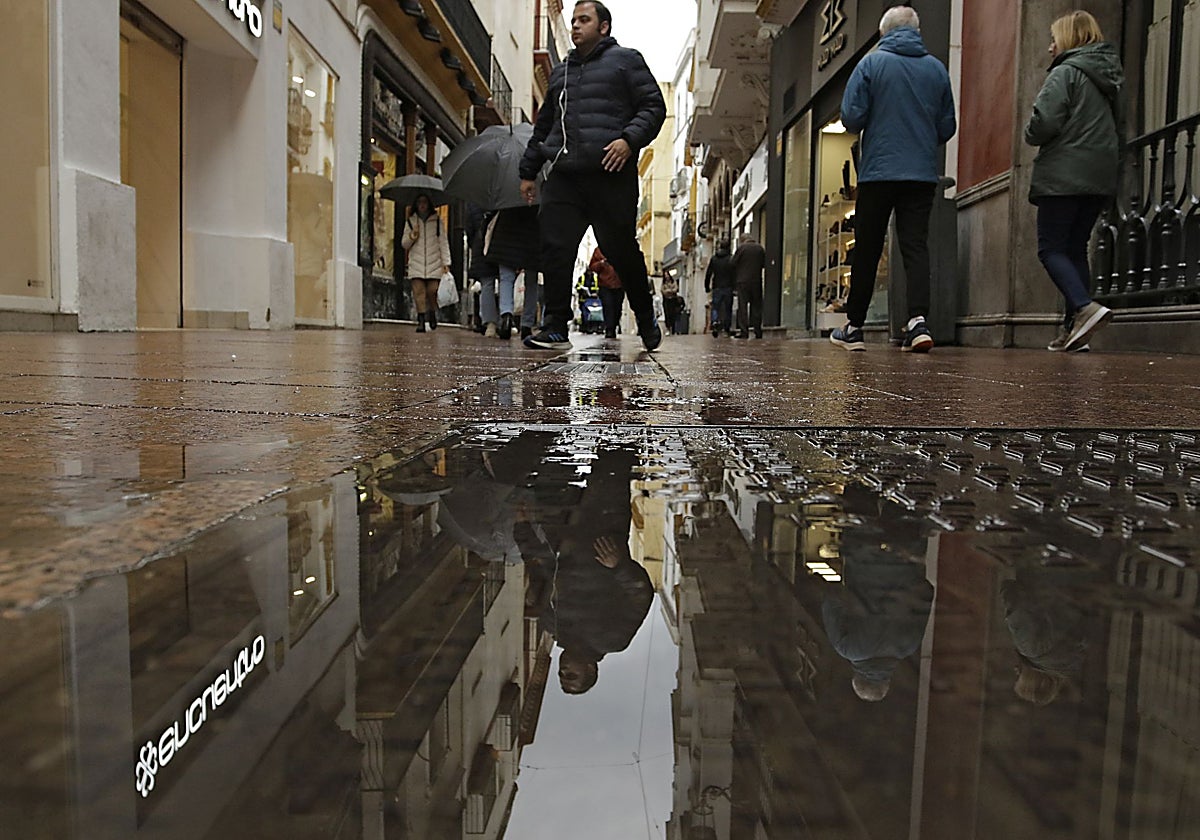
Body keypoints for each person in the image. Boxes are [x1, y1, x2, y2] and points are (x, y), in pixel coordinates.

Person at [518, 1, 667, 352]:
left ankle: (645, 319)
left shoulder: (627, 60)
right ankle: (555, 325)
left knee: (621, 250)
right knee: (554, 247)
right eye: (572, 21)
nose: (575, 26)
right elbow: (544, 127)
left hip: (610, 174)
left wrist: (629, 140)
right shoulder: (561, 72)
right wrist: (528, 171)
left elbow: (654, 107)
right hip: (565, 176)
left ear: (603, 27)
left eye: (584, 20)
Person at [830, 6, 956, 353]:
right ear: (916, 32)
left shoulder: (870, 64)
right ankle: (918, 323)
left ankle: (854, 327)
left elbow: (852, 118)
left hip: (878, 172)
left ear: (884, 33)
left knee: (868, 247)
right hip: (920, 174)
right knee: (915, 246)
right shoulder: (937, 69)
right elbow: (947, 127)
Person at [1024, 10, 1122, 352]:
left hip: (1063, 174)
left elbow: (1043, 124)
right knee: (1076, 248)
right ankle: (1074, 330)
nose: (1050, 47)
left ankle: (1084, 307)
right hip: (1098, 174)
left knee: (1050, 248)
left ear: (1068, 39)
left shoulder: (1065, 73)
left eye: (1054, 39)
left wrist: (1031, 128)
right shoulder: (1108, 77)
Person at [522, 447, 654, 695]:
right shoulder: (614, 639)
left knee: (560, 456)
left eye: (561, 674)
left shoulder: (553, 626)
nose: (563, 669)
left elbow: (546, 573)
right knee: (613, 463)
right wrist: (619, 566)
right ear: (591, 669)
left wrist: (525, 533)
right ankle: (622, 418)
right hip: (603, 530)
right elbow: (641, 596)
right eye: (570, 674)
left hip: (565, 524)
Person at [484, 205, 543, 340]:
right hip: (532, 234)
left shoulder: (505, 192)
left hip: (506, 234)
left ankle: (506, 316)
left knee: (506, 278)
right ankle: (527, 325)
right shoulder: (538, 192)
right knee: (531, 281)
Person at [400, 193, 451, 333]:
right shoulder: (410, 222)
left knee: (432, 291)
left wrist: (446, 262)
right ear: (416, 205)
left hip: (434, 263)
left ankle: (432, 312)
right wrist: (412, 235)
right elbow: (404, 244)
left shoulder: (437, 222)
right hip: (416, 263)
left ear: (429, 204)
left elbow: (443, 242)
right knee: (419, 292)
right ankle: (421, 321)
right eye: (419, 202)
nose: (422, 205)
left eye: (424, 202)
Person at [466, 203, 502, 337]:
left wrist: (475, 244)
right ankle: (505, 318)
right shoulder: (503, 200)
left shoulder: (473, 204)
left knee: (487, 284)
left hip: (480, 246)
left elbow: (469, 230)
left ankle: (490, 324)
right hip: (501, 245)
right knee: (505, 280)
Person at [731, 233, 766, 339]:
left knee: (743, 307)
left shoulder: (741, 249)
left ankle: (744, 331)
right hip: (756, 281)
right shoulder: (760, 248)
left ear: (742, 240)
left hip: (743, 281)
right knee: (756, 306)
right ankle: (757, 330)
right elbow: (764, 264)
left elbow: (732, 263)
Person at [589, 248, 624, 339]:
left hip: (619, 284)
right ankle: (609, 329)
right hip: (604, 285)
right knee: (608, 306)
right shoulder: (599, 250)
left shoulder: (623, 247)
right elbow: (592, 266)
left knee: (617, 307)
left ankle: (613, 325)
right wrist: (601, 264)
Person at [704, 240, 735, 337]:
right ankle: (726, 328)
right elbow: (734, 273)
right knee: (727, 308)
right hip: (728, 287)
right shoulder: (731, 259)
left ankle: (714, 321)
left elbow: (709, 273)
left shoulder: (714, 259)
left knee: (715, 307)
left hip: (717, 286)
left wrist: (707, 286)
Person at [660, 269, 683, 335]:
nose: (667, 276)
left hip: (673, 300)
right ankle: (668, 328)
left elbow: (675, 289)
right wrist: (669, 291)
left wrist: (669, 291)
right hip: (666, 300)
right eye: (665, 275)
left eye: (667, 275)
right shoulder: (663, 283)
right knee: (667, 314)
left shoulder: (674, 282)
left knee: (673, 314)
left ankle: (673, 329)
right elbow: (662, 290)